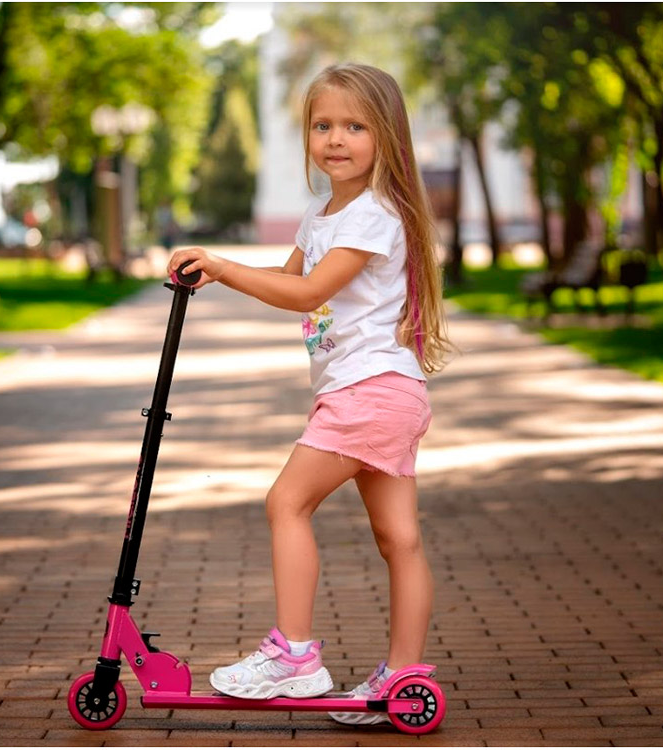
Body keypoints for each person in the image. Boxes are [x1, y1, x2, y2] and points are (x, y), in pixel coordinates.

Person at [167, 62, 451, 725]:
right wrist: (220, 273)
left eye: (355, 126)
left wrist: (223, 264)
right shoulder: (323, 212)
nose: (336, 139)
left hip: (367, 392)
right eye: (323, 125)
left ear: (387, 136)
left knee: (286, 502)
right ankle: (401, 678)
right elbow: (287, 278)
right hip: (380, 392)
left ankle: (293, 656)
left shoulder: (376, 214)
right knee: (400, 540)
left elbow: (307, 293)